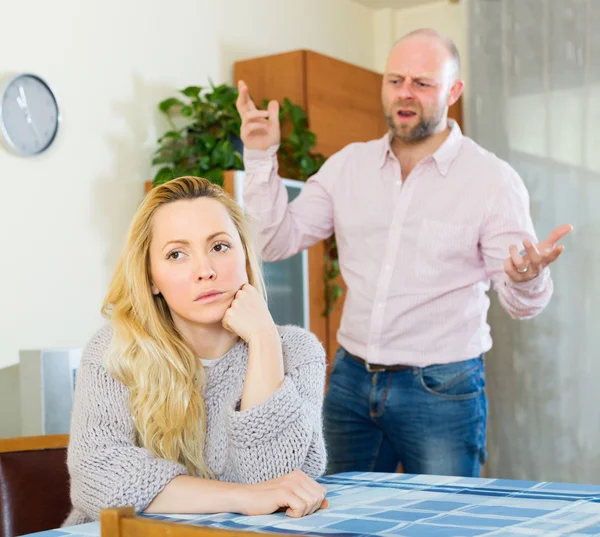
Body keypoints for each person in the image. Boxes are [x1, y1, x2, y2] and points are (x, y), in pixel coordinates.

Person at [235, 28, 573, 478]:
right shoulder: (348, 167)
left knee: (444, 522)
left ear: (453, 91)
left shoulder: (491, 180)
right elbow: (275, 241)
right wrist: (260, 157)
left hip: (442, 388)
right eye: (395, 80)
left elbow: (519, 303)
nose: (405, 93)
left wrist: (527, 277)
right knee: (335, 516)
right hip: (350, 382)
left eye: (422, 83)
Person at [64, 176, 328, 526]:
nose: (205, 271)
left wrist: (264, 340)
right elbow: (97, 475)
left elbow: (281, 483)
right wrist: (242, 497)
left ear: (245, 256)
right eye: (176, 254)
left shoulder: (296, 351)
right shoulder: (115, 350)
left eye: (219, 247)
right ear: (152, 278)